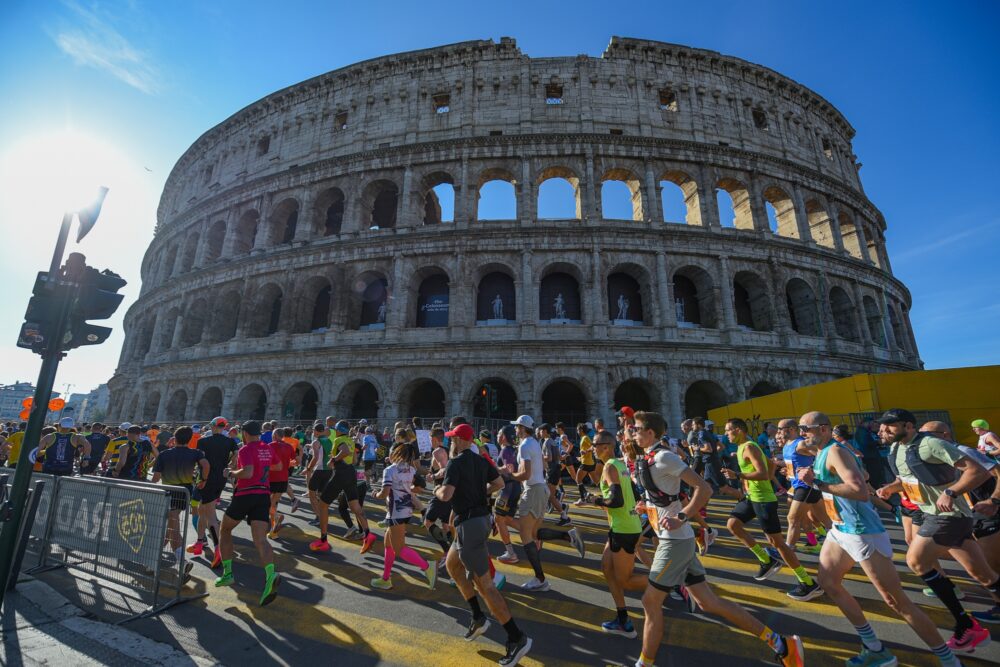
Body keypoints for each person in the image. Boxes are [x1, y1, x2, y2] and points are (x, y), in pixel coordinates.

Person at [631, 411, 804, 667]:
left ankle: (644, 663)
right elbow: (665, 495)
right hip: (678, 539)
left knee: (650, 601)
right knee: (708, 602)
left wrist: (682, 516)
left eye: (636, 429)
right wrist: (646, 506)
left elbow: (704, 487)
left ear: (650, 433)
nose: (633, 433)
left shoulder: (665, 456)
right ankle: (781, 643)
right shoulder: (651, 457)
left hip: (674, 542)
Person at [798, 411, 963, 667]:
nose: (801, 433)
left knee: (896, 601)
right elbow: (859, 476)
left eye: (804, 428)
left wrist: (818, 483)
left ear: (822, 429)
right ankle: (875, 648)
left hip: (864, 532)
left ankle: (950, 660)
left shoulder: (835, 452)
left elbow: (859, 491)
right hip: (842, 530)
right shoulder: (823, 452)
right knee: (828, 582)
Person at [875, 408, 996, 652]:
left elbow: (977, 470)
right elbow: (909, 480)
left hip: (946, 516)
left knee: (916, 561)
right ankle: (970, 627)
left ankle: (966, 625)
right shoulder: (897, 449)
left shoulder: (930, 444)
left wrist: (951, 492)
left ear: (909, 426)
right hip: (937, 515)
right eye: (883, 425)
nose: (885, 429)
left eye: (891, 425)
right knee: (984, 575)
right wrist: (890, 488)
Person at [435, 422, 532, 666]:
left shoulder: (455, 463)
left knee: (485, 585)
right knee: (452, 566)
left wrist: (436, 489)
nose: (450, 442)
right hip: (475, 521)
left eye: (452, 439)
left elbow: (446, 495)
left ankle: (516, 637)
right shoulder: (481, 461)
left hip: (470, 525)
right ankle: (478, 616)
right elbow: (499, 483)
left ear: (459, 441)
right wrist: (481, 492)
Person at [722, 418, 822, 601]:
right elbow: (770, 466)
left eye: (728, 431)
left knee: (779, 545)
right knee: (733, 525)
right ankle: (766, 559)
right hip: (751, 498)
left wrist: (738, 475)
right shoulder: (741, 448)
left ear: (738, 430)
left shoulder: (750, 447)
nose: (726, 434)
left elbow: (762, 473)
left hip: (763, 500)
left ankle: (807, 582)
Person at [921, 420, 1000, 623]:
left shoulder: (963, 451)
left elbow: (998, 472)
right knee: (982, 566)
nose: (923, 440)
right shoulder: (931, 456)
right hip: (967, 514)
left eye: (928, 435)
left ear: (945, 435)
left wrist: (993, 499)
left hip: (987, 511)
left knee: (992, 565)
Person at [509, 415, 586, 592]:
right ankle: (569, 536)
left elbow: (525, 474)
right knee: (534, 532)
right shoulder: (534, 443)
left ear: (522, 428)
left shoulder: (525, 445)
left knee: (525, 534)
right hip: (541, 488)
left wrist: (509, 474)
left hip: (534, 490)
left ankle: (540, 579)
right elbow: (542, 466)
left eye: (517, 427)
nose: (515, 429)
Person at [584, 430, 645, 638]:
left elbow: (616, 500)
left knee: (625, 580)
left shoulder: (611, 466)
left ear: (607, 446)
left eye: (596, 444)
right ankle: (623, 619)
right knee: (606, 568)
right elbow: (633, 492)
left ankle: (674, 581)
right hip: (622, 525)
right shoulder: (619, 464)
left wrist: (595, 501)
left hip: (624, 528)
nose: (593, 447)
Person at [214, 420, 281, 607]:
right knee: (261, 540)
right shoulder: (267, 448)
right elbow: (278, 466)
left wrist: (230, 473)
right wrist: (263, 468)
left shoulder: (245, 449)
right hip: (263, 495)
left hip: (246, 494)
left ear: (244, 433)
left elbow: (248, 472)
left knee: (224, 529)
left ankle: (227, 574)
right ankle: (270, 575)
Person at [370, 441, 437, 590]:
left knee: (399, 549)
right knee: (388, 545)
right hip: (406, 510)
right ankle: (386, 578)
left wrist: (375, 495)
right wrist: (407, 490)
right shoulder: (410, 469)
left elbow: (384, 493)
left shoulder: (389, 470)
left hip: (396, 512)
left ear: (394, 453)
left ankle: (427, 566)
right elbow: (419, 487)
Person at [151, 426, 209, 568]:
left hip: (169, 491)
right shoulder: (195, 453)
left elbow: (156, 477)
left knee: (173, 526)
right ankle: (154, 554)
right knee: (172, 524)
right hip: (185, 491)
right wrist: (203, 480)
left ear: (174, 439)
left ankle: (180, 560)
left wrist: (150, 486)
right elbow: (205, 464)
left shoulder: (164, 454)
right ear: (190, 440)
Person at [315, 420, 373, 552]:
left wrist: (333, 459)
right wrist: (337, 457)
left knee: (323, 504)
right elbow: (353, 460)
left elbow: (345, 451)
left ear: (339, 430)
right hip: (351, 473)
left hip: (341, 473)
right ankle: (368, 534)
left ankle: (323, 539)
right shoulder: (351, 440)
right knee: (355, 505)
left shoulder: (339, 439)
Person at [189, 417, 239, 566]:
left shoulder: (203, 441)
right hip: (221, 478)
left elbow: (199, 460)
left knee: (209, 514)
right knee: (201, 509)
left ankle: (218, 549)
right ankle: (199, 542)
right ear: (224, 427)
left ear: (212, 426)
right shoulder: (230, 441)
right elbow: (236, 454)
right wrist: (230, 464)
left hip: (206, 478)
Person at [779, 418, 830, 555]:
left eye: (780, 429)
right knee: (824, 521)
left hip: (806, 486)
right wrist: (788, 472)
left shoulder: (800, 444)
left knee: (793, 518)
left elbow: (823, 456)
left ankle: (787, 550)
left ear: (791, 429)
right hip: (797, 485)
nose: (778, 432)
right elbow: (794, 464)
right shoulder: (786, 446)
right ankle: (827, 542)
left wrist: (812, 469)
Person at [268, 428, 297, 539]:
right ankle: (273, 532)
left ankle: (277, 517)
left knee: (267, 504)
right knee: (273, 503)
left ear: (275, 435)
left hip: (272, 478)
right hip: (284, 478)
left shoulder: (270, 445)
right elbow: (295, 460)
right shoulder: (289, 446)